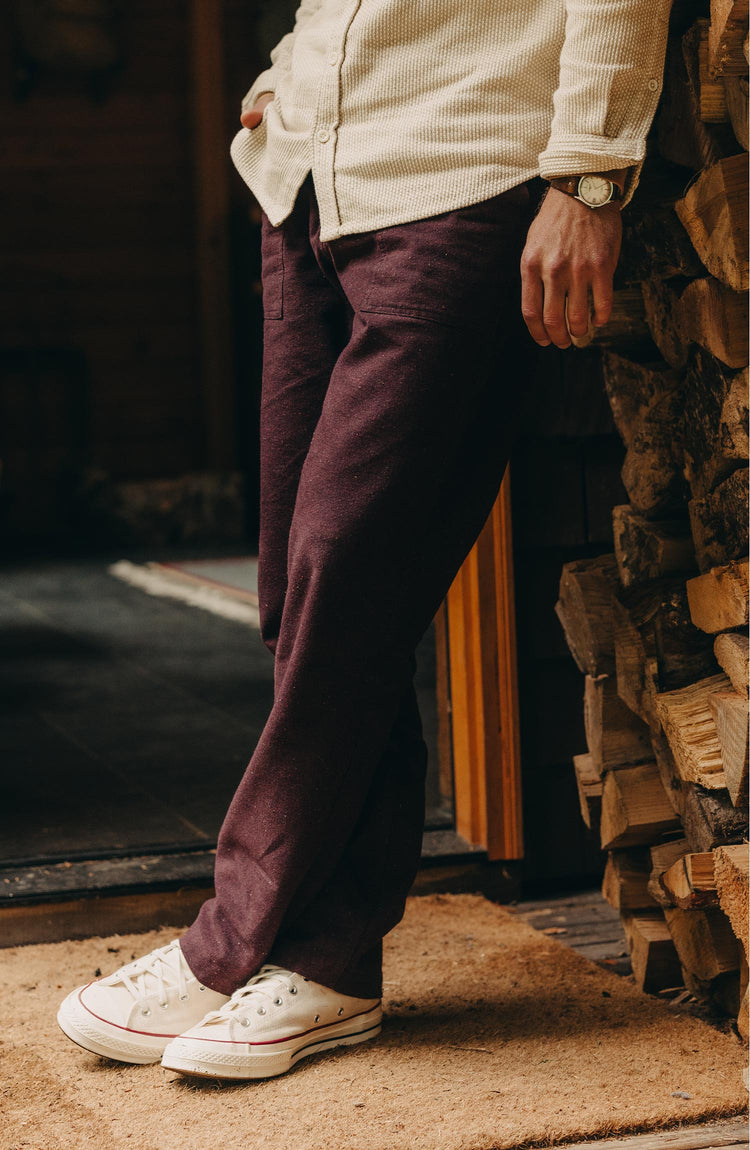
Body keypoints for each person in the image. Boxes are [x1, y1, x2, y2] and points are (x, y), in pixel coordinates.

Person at [58, 0, 672, 1081]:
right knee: (300, 590)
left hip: (467, 175)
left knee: (346, 566)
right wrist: (288, 74)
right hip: (305, 177)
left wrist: (588, 176)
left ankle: (227, 942)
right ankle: (331, 968)